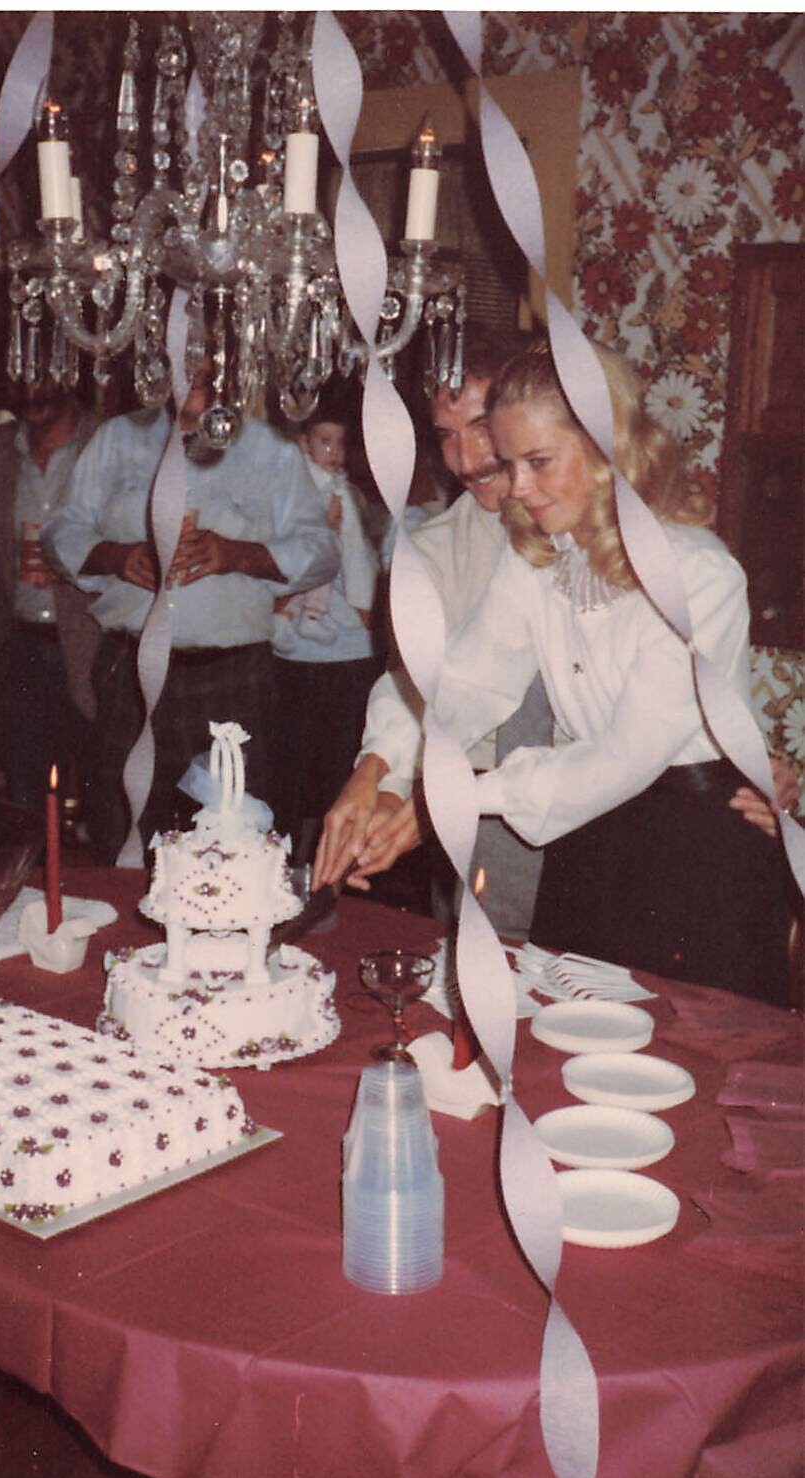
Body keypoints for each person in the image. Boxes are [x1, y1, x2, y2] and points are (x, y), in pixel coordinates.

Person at [323, 338, 792, 1004]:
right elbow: (467, 683)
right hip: (589, 840)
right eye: (511, 463)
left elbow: (626, 756)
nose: (517, 487)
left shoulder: (697, 575)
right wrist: (381, 769)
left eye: (539, 462)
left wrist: (452, 798)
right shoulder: (539, 560)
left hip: (697, 851)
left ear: (607, 448)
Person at [314, 323, 554, 939]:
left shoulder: (582, 532)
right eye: (447, 435)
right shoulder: (429, 551)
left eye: (482, 428)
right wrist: (378, 779)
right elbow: (419, 685)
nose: (466, 460)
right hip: (471, 823)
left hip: (588, 819)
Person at [45, 373, 337, 860]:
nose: (193, 363)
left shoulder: (269, 448)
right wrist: (115, 556)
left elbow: (322, 551)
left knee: (235, 843)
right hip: (130, 671)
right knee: (122, 834)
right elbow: (61, 533)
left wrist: (237, 554)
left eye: (206, 353)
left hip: (231, 678)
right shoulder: (118, 438)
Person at [0, 382, 101, 823]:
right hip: (21, 649)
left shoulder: (109, 442)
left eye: (43, 371)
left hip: (97, 648)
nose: (30, 387)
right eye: (18, 372)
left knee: (107, 804)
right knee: (27, 806)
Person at [271, 402, 381, 867]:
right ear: (304, 444)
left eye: (341, 443)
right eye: (324, 442)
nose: (334, 453)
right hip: (295, 652)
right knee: (288, 772)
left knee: (338, 771)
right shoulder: (288, 493)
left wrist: (368, 608)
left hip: (348, 649)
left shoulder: (350, 496)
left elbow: (362, 560)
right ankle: (281, 867)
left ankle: (328, 869)